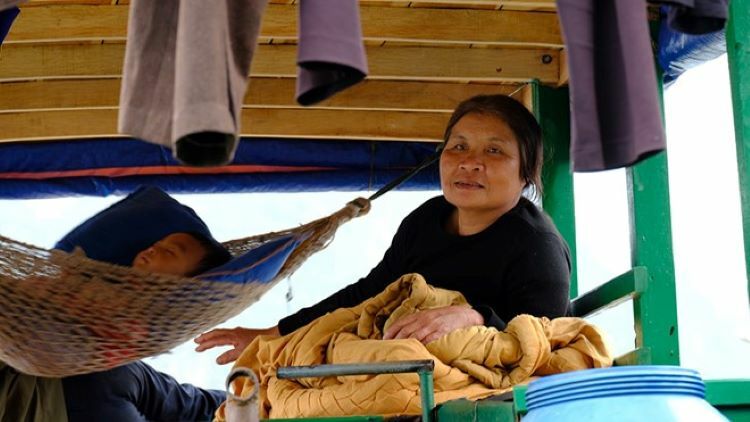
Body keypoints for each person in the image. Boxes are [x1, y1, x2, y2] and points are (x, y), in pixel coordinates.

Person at [195, 94, 571, 365]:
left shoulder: (537, 247)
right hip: (410, 370)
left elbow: (545, 343)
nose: (470, 163)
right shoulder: (426, 220)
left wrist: (475, 317)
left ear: (524, 173)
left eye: (493, 151)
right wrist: (269, 335)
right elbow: (370, 293)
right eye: (458, 146)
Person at [60, 231, 233, 422]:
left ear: (183, 289)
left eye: (169, 252)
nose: (153, 249)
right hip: (65, 384)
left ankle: (252, 407)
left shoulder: (144, 318)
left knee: (189, 404)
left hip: (97, 371)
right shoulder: (99, 279)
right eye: (157, 243)